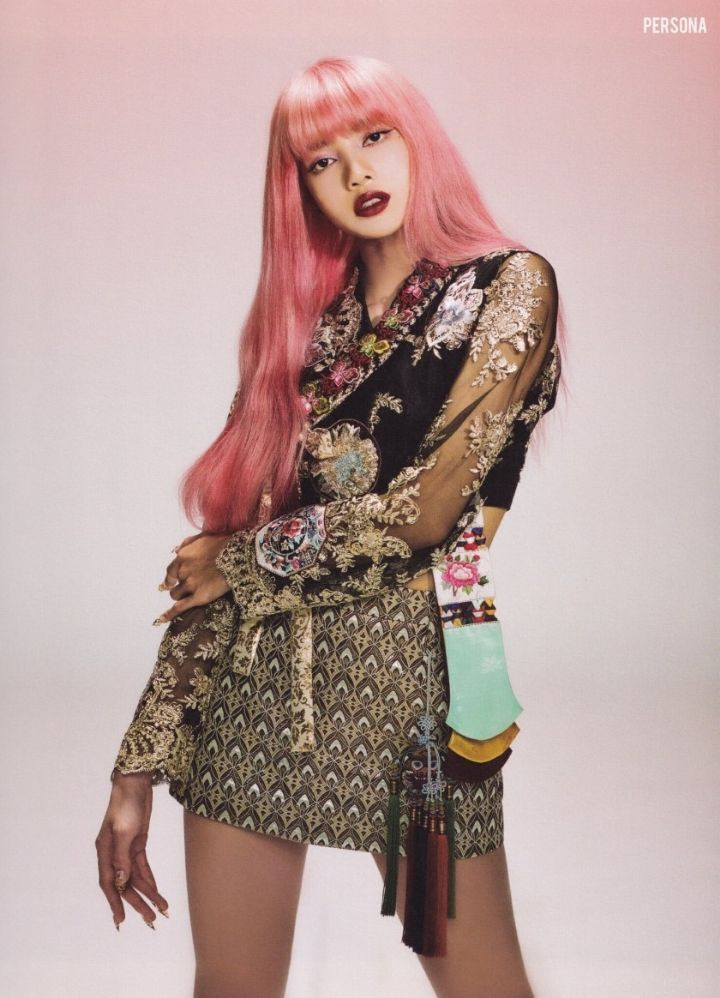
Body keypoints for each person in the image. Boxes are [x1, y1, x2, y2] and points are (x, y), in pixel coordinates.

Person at [95, 54, 565, 998]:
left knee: (486, 986)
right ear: (298, 187)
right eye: (321, 159)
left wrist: (246, 558)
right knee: (231, 986)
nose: (357, 172)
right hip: (253, 696)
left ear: (416, 140)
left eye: (375, 137)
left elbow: (429, 511)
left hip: (418, 703)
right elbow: (211, 568)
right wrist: (135, 765)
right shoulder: (300, 329)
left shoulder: (509, 284)